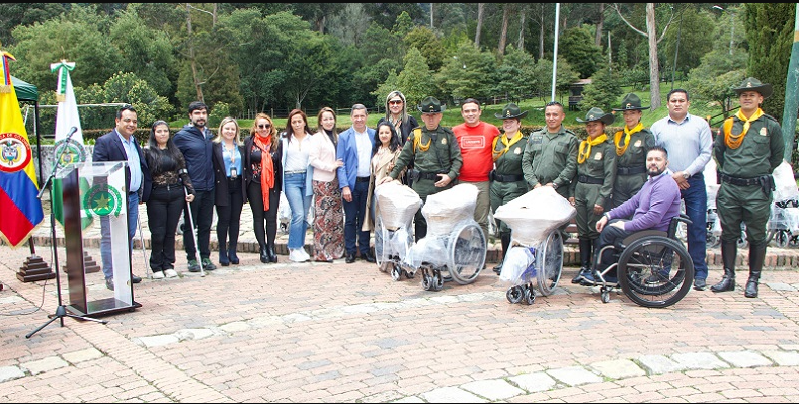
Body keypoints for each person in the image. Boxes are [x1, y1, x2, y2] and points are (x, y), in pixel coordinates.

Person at [711, 77, 785, 298]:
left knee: (757, 236)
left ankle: (753, 279)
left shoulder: (770, 126)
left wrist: (755, 172)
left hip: (756, 190)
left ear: (760, 98)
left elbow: (777, 156)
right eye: (743, 95)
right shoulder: (728, 124)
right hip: (731, 188)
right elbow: (720, 153)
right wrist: (735, 172)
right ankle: (728, 277)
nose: (747, 97)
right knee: (728, 233)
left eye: (752, 95)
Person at [587, 146, 682, 284]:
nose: (653, 162)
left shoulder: (665, 184)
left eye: (658, 159)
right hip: (646, 230)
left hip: (654, 233)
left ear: (666, 163)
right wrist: (608, 215)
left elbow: (653, 218)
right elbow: (632, 203)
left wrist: (626, 225)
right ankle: (605, 272)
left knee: (610, 231)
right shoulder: (651, 182)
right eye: (650, 159)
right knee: (610, 224)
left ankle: (609, 277)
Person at [650, 89, 713, 291]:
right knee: (665, 227)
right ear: (667, 104)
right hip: (666, 183)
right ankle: (662, 270)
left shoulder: (700, 125)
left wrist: (685, 174)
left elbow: (706, 153)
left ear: (688, 103)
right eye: (673, 101)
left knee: (697, 227)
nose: (677, 104)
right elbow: (654, 155)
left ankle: (698, 272)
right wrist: (671, 176)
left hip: (693, 182)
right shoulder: (658, 127)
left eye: (681, 101)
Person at [381, 96, 463, 241]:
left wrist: (450, 176)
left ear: (440, 116)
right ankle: (421, 255)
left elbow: (457, 160)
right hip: (421, 185)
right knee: (420, 220)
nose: (431, 118)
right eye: (427, 115)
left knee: (442, 219)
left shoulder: (448, 135)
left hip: (442, 185)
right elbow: (404, 158)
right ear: (422, 117)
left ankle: (440, 256)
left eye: (434, 115)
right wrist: (392, 175)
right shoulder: (416, 134)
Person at [92, 105, 152, 290]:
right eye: (127, 120)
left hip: (132, 197)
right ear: (117, 121)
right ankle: (111, 276)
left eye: (134, 121)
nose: (131, 124)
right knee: (110, 237)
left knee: (127, 235)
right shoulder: (105, 142)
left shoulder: (134, 142)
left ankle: (124, 270)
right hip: (112, 197)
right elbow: (98, 171)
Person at [569, 107, 618, 284]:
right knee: (583, 231)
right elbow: (576, 170)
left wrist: (602, 198)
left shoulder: (608, 147)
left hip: (597, 190)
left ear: (603, 126)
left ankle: (597, 269)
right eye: (588, 125)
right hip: (581, 189)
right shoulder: (583, 145)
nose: (591, 128)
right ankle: (584, 268)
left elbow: (610, 176)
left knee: (594, 230)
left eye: (595, 125)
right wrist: (572, 191)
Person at [143, 120, 194, 279]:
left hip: (176, 195)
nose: (163, 134)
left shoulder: (175, 151)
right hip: (157, 196)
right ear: (154, 133)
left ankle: (168, 263)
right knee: (158, 232)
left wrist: (190, 189)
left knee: (170, 232)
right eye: (159, 131)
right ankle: (156, 264)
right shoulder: (147, 152)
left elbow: (183, 172)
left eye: (165, 131)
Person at [174, 101, 216, 272]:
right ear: (190, 115)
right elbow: (176, 161)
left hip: (210, 186)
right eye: (197, 113)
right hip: (193, 188)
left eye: (204, 113)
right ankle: (192, 258)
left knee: (206, 224)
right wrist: (184, 183)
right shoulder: (182, 136)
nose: (201, 116)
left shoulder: (210, 136)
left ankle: (205, 256)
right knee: (191, 225)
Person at [488, 103, 529, 275]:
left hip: (515, 186)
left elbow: (527, 166)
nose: (508, 124)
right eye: (505, 121)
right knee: (499, 222)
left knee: (506, 225)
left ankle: (507, 260)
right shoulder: (497, 141)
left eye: (511, 121)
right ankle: (506, 258)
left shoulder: (525, 143)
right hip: (497, 185)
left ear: (519, 123)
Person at [452, 98, 500, 242]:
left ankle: (480, 255)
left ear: (479, 112)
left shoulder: (492, 130)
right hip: (461, 182)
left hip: (483, 183)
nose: (470, 114)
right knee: (462, 220)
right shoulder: (455, 131)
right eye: (467, 111)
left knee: (481, 221)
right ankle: (463, 254)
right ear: (462, 113)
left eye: (473, 110)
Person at [336, 104, 377, 263]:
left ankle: (365, 250)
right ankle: (351, 251)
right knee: (351, 219)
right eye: (356, 116)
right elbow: (341, 164)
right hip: (352, 185)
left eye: (362, 116)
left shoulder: (374, 135)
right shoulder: (344, 137)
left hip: (368, 184)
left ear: (366, 116)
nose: (359, 119)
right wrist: (344, 186)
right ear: (351, 117)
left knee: (365, 219)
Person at [244, 113, 283, 263]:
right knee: (258, 217)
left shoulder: (276, 143)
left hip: (272, 185)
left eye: (267, 126)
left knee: (271, 217)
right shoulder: (249, 142)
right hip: (254, 185)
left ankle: (271, 247)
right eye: (261, 126)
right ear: (255, 128)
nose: (264, 129)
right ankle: (263, 248)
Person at [308, 107, 345, 262]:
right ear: (321, 122)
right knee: (324, 218)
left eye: (331, 118)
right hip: (323, 180)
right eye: (325, 119)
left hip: (336, 181)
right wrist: (331, 166)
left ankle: (336, 249)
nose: (329, 121)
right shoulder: (316, 138)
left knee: (336, 217)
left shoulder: (337, 137)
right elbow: (313, 160)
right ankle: (322, 252)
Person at [522, 101, 578, 200]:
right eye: (548, 114)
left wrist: (555, 184)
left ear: (562, 116)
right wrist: (534, 183)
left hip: (558, 191)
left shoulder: (570, 139)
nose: (551, 118)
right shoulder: (535, 136)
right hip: (535, 190)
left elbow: (571, 166)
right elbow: (526, 162)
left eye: (555, 115)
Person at [610, 93, 656, 210]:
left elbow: (651, 162)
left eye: (632, 113)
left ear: (639, 114)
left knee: (636, 213)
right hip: (619, 181)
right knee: (619, 212)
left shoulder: (646, 136)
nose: (628, 117)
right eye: (625, 114)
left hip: (638, 179)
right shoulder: (619, 136)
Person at [281, 108, 314, 262]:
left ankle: (300, 246)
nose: (297, 124)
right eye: (294, 122)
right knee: (298, 213)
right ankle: (293, 247)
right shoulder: (285, 139)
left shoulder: (312, 139)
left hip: (307, 178)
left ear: (304, 122)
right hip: (291, 178)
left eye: (299, 121)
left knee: (305, 215)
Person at [212, 117, 245, 267]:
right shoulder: (215, 146)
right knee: (224, 219)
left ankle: (233, 250)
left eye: (232, 129)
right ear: (221, 130)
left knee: (235, 219)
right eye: (227, 128)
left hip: (237, 184)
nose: (230, 131)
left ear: (236, 131)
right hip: (222, 185)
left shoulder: (241, 147)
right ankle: (222, 251)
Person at [363, 121, 404, 233]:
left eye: (387, 132)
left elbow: (402, 170)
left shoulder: (397, 151)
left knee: (390, 227)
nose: (384, 135)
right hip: (374, 191)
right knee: (377, 223)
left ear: (392, 134)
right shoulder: (376, 150)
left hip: (390, 193)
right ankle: (380, 250)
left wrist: (393, 169)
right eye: (381, 133)